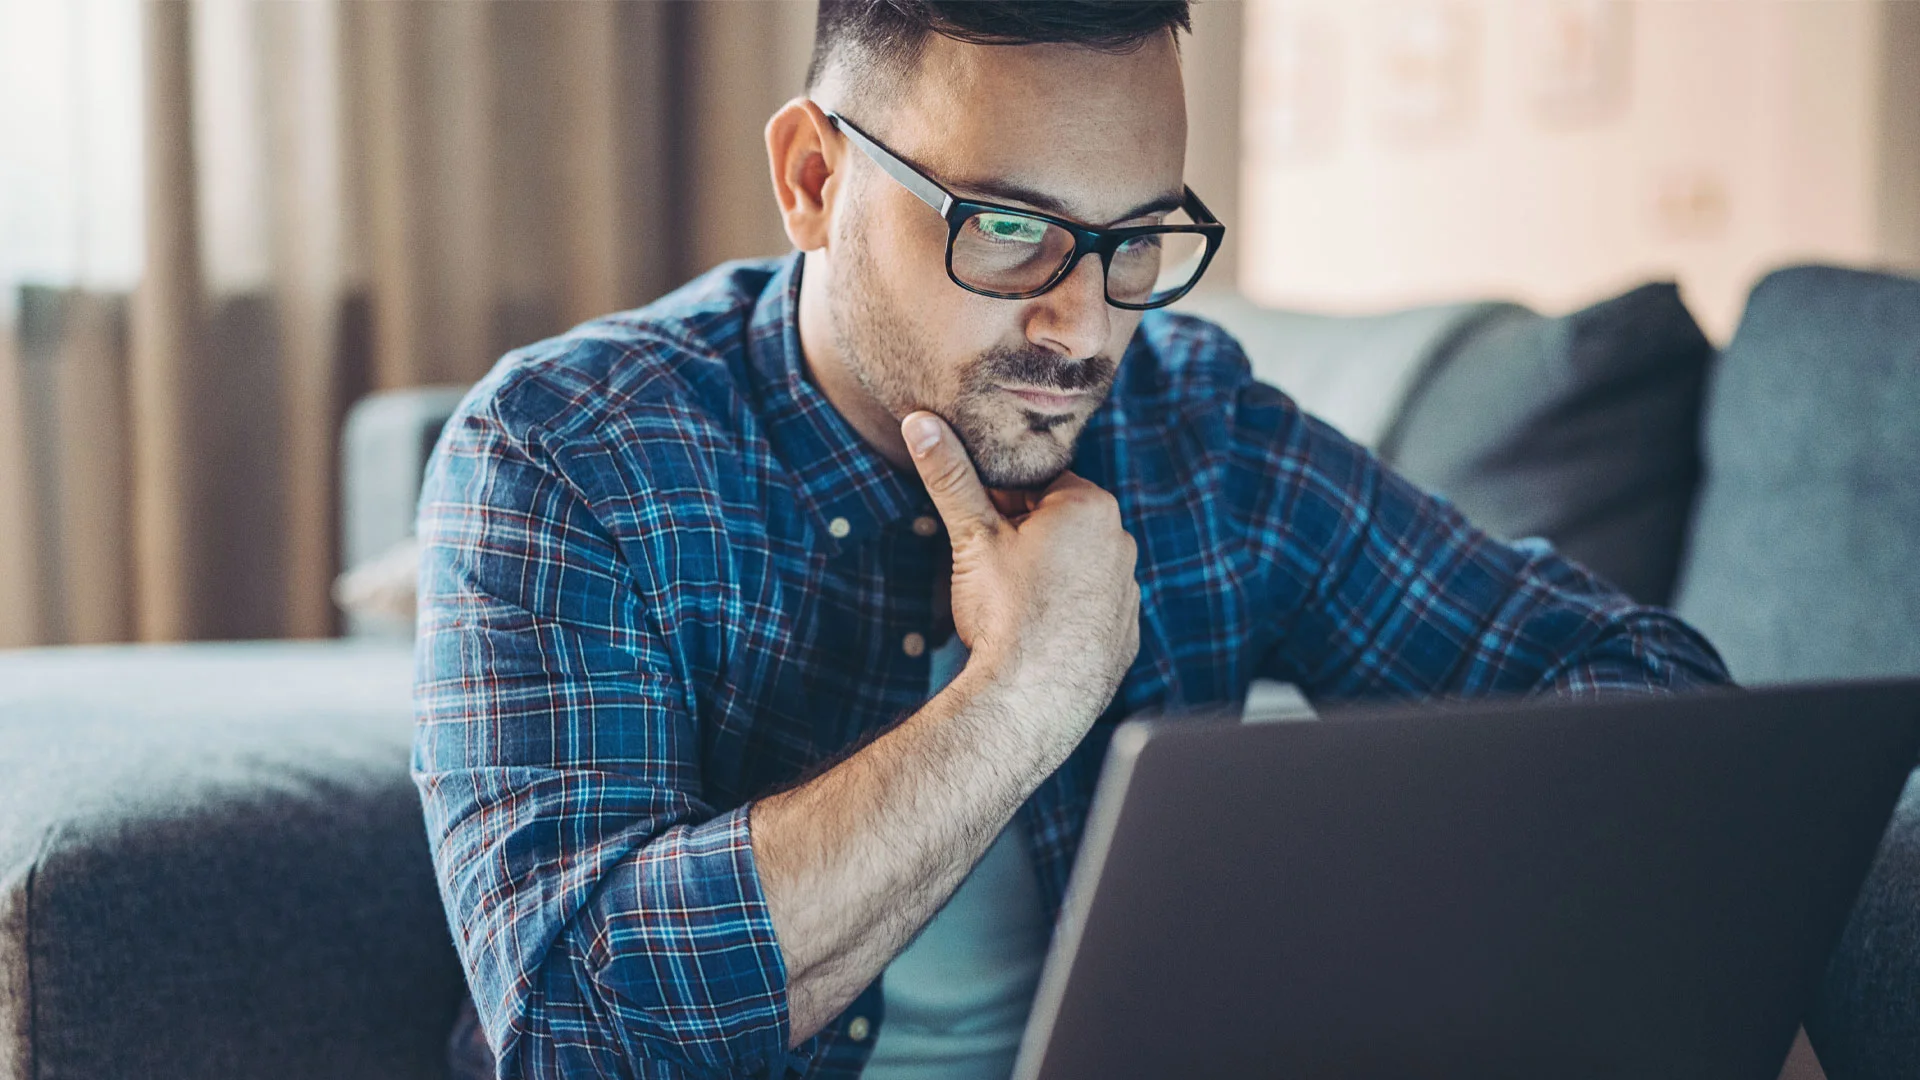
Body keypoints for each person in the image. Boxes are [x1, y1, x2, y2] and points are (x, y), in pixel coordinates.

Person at [413, 2, 1728, 1077]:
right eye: (1006, 229)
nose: (1086, 329)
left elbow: (1636, 690)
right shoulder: (569, 446)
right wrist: (1025, 696)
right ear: (815, 180)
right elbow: (574, 1030)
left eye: (1138, 239)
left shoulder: (1198, 433)